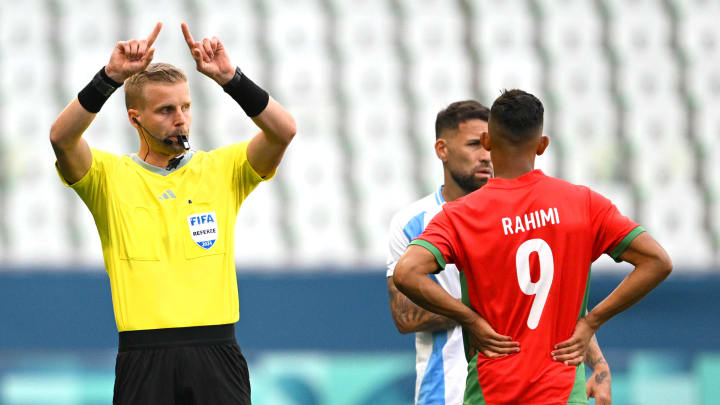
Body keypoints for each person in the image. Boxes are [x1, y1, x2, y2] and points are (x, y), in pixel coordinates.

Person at [49, 22, 296, 404]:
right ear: (135, 119)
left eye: (185, 107)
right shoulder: (108, 177)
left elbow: (283, 131)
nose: (180, 118)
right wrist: (109, 78)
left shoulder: (222, 170)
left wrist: (231, 79)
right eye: (166, 110)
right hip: (143, 358)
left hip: (217, 352)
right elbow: (61, 138)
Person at [393, 90, 671, 404]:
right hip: (562, 391)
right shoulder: (583, 203)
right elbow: (658, 261)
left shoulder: (461, 215)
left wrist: (471, 320)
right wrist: (591, 322)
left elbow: (407, 272)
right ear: (542, 145)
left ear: (488, 142)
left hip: (491, 389)